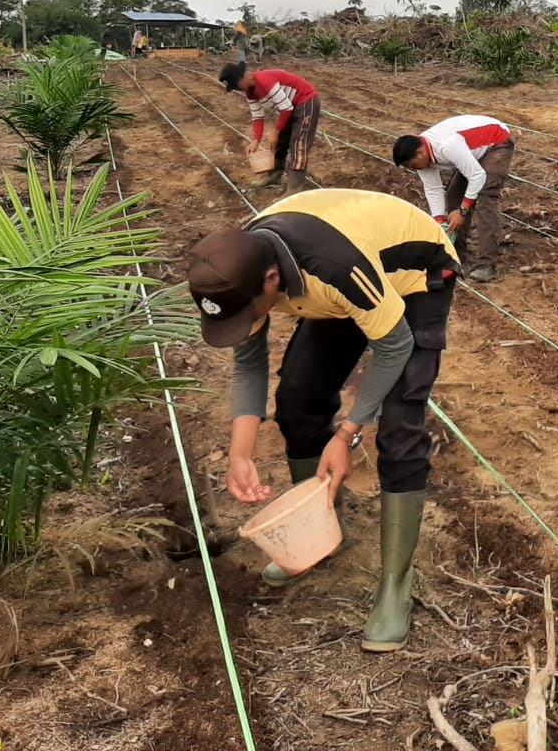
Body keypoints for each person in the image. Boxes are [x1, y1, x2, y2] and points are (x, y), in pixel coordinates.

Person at [187, 188, 460, 652]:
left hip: (415, 277)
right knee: (298, 397)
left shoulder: (333, 267)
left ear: (273, 279)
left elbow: (394, 345)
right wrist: (240, 452)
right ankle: (322, 532)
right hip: (349, 284)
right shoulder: (237, 271)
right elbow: (249, 362)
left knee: (398, 427)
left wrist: (348, 434)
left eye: (248, 312)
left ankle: (396, 583)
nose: (245, 323)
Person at [391, 116, 514, 282]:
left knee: (486, 197)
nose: (414, 170)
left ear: (420, 153)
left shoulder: (447, 146)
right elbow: (433, 189)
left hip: (497, 140)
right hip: (471, 151)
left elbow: (477, 176)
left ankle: (486, 265)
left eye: (413, 166)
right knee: (454, 197)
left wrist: (462, 211)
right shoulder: (422, 157)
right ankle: (457, 259)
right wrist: (440, 221)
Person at [219, 63, 320, 191]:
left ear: (244, 77)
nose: (238, 89)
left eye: (237, 86)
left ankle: (295, 188)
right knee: (280, 143)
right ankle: (274, 177)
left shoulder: (265, 81)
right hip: (291, 106)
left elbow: (286, 107)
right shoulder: (250, 93)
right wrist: (256, 140)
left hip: (306, 101)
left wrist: (276, 131)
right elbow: (257, 117)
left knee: (299, 145)